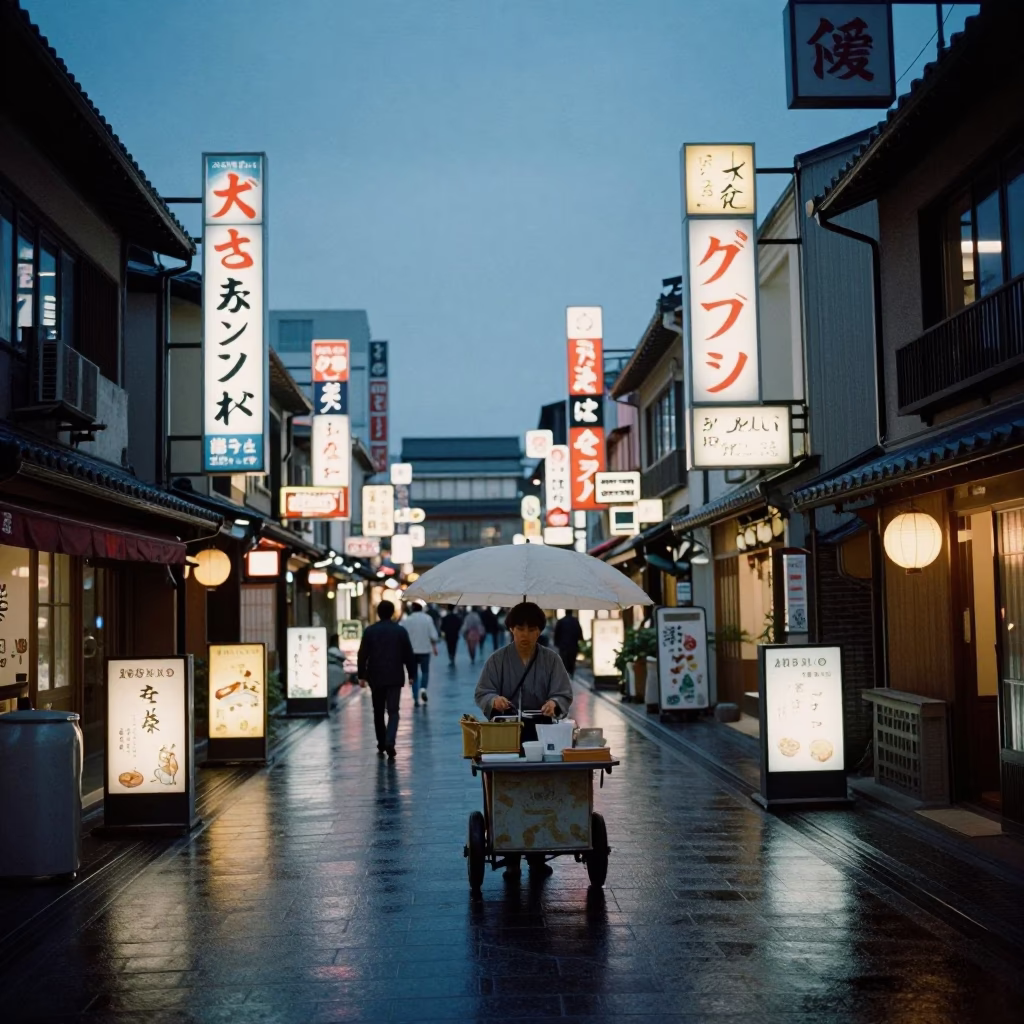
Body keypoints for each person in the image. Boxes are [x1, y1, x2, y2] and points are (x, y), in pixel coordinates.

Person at [474, 601, 574, 879]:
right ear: (510, 629)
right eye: (520, 627)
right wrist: (494, 699)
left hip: (541, 732)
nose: (525, 634)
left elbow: (563, 693)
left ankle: (537, 855)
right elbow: (483, 691)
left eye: (531, 628)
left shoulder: (551, 659)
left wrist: (554, 703)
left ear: (540, 630)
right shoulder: (497, 659)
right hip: (506, 733)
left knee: (540, 790)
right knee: (509, 789)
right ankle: (511, 854)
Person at [357, 600, 416, 760]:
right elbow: (408, 654)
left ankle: (381, 742)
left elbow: (362, 654)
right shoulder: (400, 631)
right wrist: (412, 674)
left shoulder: (370, 631)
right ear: (392, 613)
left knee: (378, 711)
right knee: (393, 711)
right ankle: (390, 740)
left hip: (375, 677)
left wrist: (361, 675)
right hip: (395, 676)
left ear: (378, 613)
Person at [400, 601, 439, 705]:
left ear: (412, 609)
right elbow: (434, 636)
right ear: (421, 609)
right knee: (425, 671)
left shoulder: (407, 620)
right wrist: (434, 646)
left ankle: (415, 697)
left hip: (411, 652)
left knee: (414, 674)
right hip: (425, 650)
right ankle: (423, 689)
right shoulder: (427, 619)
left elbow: (402, 636)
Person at [553, 610, 584, 678]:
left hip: (563, 645)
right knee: (572, 661)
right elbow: (579, 632)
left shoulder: (561, 621)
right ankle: (571, 675)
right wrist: (580, 639)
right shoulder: (575, 621)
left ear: (565, 612)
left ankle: (565, 676)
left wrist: (556, 643)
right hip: (573, 645)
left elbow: (556, 633)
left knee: (564, 661)